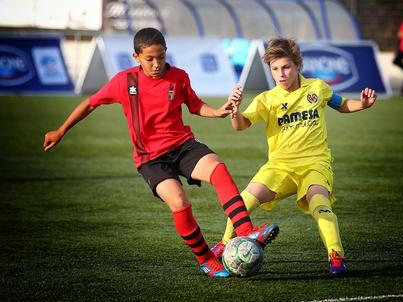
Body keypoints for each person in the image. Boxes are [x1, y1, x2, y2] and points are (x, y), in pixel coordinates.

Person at [43, 27, 279, 278]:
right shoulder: (124, 81)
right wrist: (61, 130)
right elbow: (90, 104)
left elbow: (195, 105)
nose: (157, 64)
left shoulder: (178, 77)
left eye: (162, 57)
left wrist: (219, 111)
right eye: (150, 59)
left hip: (183, 145)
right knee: (179, 202)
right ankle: (206, 259)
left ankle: (246, 230)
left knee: (218, 169)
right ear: (136, 57)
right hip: (151, 158)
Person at [211, 38, 377, 275]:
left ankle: (336, 256)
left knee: (320, 203)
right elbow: (240, 125)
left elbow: (341, 104)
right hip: (279, 166)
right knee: (242, 201)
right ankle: (225, 244)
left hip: (315, 164)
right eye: (275, 69)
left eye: (286, 67)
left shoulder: (317, 88)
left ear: (297, 65)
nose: (281, 74)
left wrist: (362, 104)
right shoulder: (266, 99)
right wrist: (235, 111)